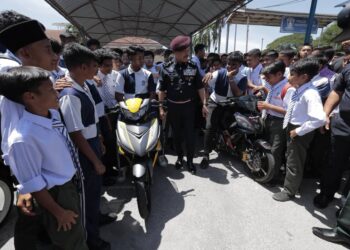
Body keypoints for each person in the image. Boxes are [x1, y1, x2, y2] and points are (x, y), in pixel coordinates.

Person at [2, 66, 88, 250]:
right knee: (72, 243)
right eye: (50, 89)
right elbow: (34, 184)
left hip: (69, 185)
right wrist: (59, 213)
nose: (56, 92)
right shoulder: (22, 138)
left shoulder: (52, 115)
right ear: (30, 97)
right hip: (56, 196)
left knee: (77, 235)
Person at [0, 11, 59, 249]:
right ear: (25, 53)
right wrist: (23, 185)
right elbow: (11, 138)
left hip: (45, 166)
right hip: (31, 172)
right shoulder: (14, 80)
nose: (54, 56)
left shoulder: (40, 78)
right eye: (48, 49)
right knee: (28, 222)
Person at [59, 43, 111, 250]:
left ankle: (96, 219)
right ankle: (91, 238)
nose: (96, 70)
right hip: (84, 151)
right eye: (93, 66)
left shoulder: (85, 85)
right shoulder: (70, 95)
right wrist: (95, 160)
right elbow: (75, 134)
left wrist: (100, 140)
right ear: (81, 67)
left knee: (94, 191)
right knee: (86, 197)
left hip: (92, 142)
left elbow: (91, 122)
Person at [273, 58, 326, 202]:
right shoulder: (298, 89)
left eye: (292, 74)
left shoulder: (310, 93)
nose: (288, 77)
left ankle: (290, 190)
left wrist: (299, 131)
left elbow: (320, 119)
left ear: (304, 77)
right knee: (291, 156)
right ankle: (291, 182)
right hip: (291, 126)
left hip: (299, 130)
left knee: (294, 160)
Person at [158, 35, 208, 174]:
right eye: (183, 51)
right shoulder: (166, 68)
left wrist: (204, 103)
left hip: (189, 108)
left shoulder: (193, 66)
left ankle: (190, 161)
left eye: (187, 50)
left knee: (190, 136)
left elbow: (200, 87)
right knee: (177, 136)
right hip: (173, 108)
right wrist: (161, 108)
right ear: (175, 52)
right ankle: (180, 158)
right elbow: (161, 90)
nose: (187, 53)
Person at [200, 52, 245, 169]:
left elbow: (238, 93)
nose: (230, 67)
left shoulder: (242, 77)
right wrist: (204, 103)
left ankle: (233, 148)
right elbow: (204, 84)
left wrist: (230, 79)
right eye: (228, 64)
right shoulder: (219, 73)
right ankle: (206, 154)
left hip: (231, 105)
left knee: (235, 125)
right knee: (210, 126)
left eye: (234, 65)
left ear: (240, 65)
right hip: (215, 103)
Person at [257, 61, 288, 183]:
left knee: (276, 151)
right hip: (269, 119)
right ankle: (267, 170)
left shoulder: (287, 88)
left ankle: (273, 177)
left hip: (279, 122)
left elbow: (288, 111)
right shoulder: (274, 84)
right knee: (268, 147)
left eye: (268, 77)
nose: (266, 79)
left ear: (279, 74)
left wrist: (268, 106)